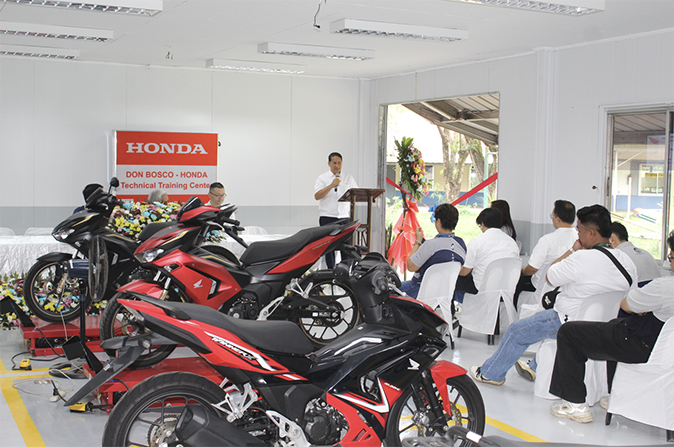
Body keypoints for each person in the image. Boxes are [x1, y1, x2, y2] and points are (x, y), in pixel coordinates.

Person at [469, 204, 637, 387]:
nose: (577, 235)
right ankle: (535, 365)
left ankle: (490, 373)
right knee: (544, 333)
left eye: (579, 230)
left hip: (567, 323)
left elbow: (550, 275)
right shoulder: (626, 261)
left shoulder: (581, 259)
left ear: (591, 234)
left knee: (516, 331)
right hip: (605, 327)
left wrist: (572, 250)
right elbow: (631, 297)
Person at [548, 231, 674, 424]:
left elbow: (626, 305)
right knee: (614, 325)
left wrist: (642, 307)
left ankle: (575, 404)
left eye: (671, 257)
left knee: (568, 332)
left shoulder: (665, 287)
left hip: (640, 346)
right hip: (664, 353)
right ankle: (613, 393)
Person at [514, 200, 577, 309]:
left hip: (541, 287)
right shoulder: (580, 240)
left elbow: (532, 269)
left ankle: (515, 314)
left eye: (552, 216)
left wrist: (523, 271)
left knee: (516, 282)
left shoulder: (548, 240)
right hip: (567, 286)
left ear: (558, 219)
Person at [399, 203, 466, 299]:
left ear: (438, 222)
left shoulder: (430, 245)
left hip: (421, 288)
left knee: (389, 291)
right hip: (447, 291)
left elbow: (411, 266)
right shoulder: (461, 243)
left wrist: (418, 242)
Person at [454, 207, 519, 301]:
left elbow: (465, 272)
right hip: (505, 289)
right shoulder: (512, 243)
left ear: (483, 224)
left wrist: (455, 270)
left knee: (452, 279)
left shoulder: (477, 242)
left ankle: (459, 306)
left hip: (481, 288)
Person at [314, 152, 358, 268]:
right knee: (329, 247)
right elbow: (317, 196)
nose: (337, 166)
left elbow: (357, 193)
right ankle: (331, 271)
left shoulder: (348, 177)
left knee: (346, 247)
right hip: (327, 217)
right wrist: (331, 185)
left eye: (339, 163)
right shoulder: (322, 178)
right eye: (334, 163)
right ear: (329, 163)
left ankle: (345, 270)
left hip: (344, 217)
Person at [610, 221, 660, 287]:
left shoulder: (618, 256)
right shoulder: (646, 253)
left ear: (612, 240)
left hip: (637, 291)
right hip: (657, 290)